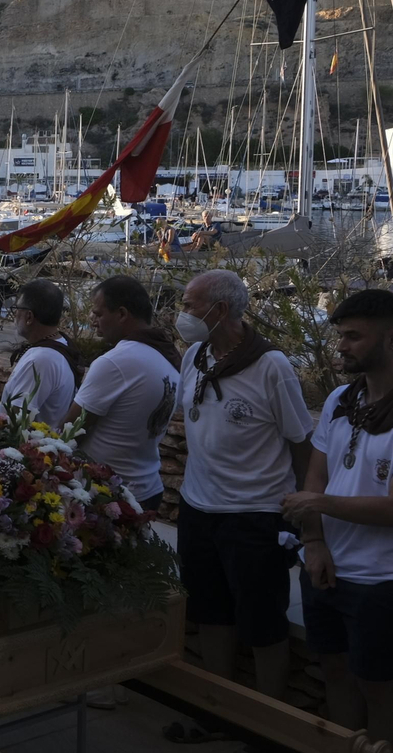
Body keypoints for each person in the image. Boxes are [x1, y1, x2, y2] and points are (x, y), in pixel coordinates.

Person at [165, 270, 311, 714]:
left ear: (220, 309)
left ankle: (268, 723)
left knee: (263, 624)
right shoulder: (195, 355)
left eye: (189, 305)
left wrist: (306, 518)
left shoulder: (271, 366)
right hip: (198, 508)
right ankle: (219, 712)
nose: (182, 313)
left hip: (255, 515)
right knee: (210, 614)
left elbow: (301, 441)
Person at [282, 288, 393, 744]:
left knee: (379, 689)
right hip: (326, 567)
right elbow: (316, 474)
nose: (341, 346)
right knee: (334, 672)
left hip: (380, 581)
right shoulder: (341, 400)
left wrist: (320, 505)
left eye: (354, 337)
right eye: (340, 335)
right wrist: (314, 543)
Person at [65, 275, 180, 512]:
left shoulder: (117, 362)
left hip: (111, 494)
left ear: (121, 314)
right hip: (147, 487)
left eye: (98, 314)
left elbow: (70, 431)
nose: (93, 320)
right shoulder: (167, 355)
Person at [0, 279, 80, 426]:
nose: (14, 314)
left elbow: (15, 420)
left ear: (29, 317)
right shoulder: (61, 343)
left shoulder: (41, 360)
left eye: (17, 308)